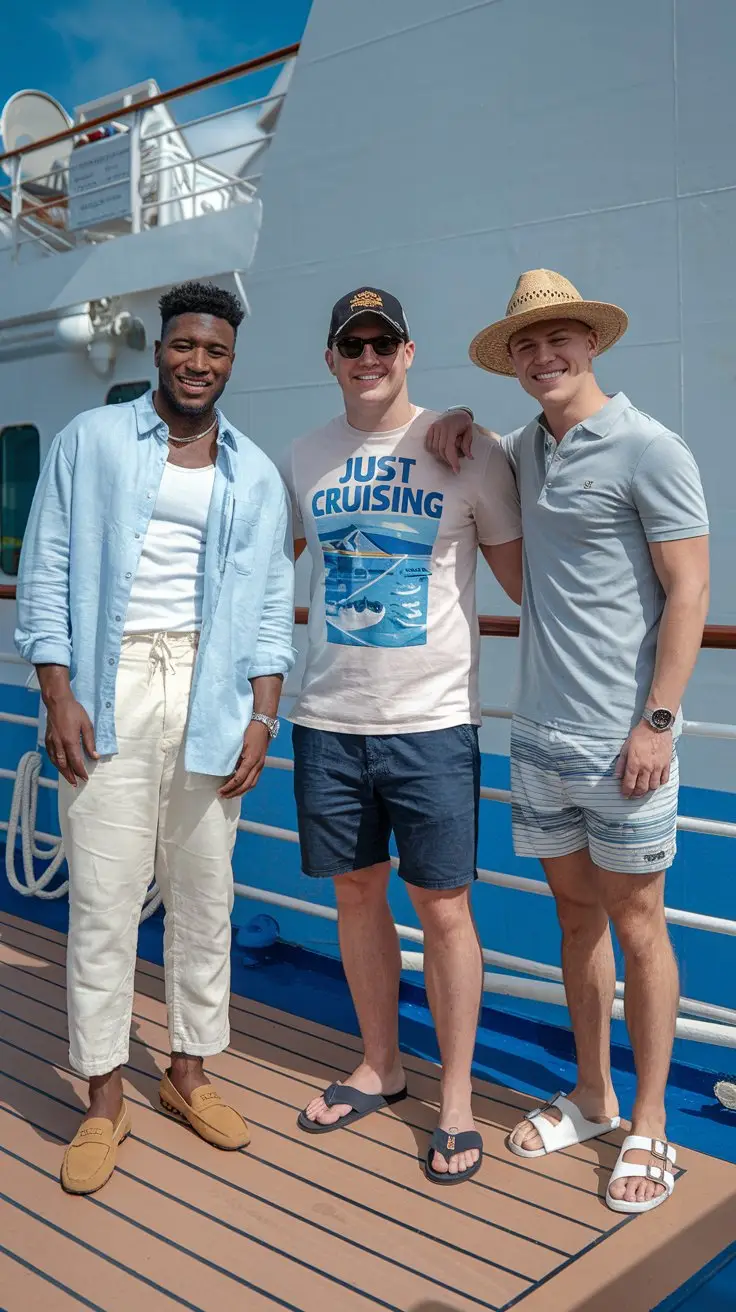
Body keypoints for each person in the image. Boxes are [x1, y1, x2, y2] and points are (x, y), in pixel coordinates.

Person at [426, 268, 710, 1213]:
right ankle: (591, 1095)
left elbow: (692, 592)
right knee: (576, 922)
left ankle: (652, 1123)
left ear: (593, 345)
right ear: (514, 362)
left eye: (561, 341)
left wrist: (659, 722)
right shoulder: (525, 450)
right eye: (527, 346)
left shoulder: (650, 449)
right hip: (539, 736)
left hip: (625, 741)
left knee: (640, 925)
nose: (544, 357)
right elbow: (471, 451)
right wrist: (452, 421)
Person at [16, 280, 295, 1195]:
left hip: (214, 692)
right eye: (184, 346)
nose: (197, 363)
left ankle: (187, 1074)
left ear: (231, 358)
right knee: (102, 896)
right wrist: (59, 695)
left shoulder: (252, 471)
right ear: (160, 349)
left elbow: (264, 612)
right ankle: (103, 1097)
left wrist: (264, 714)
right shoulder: (91, 443)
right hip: (113, 681)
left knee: (204, 892)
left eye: (214, 351)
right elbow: (46, 568)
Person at [280, 287, 522, 1184]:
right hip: (329, 720)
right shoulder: (304, 455)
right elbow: (265, 572)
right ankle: (381, 1065)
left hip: (432, 725)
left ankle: (454, 1098)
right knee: (355, 896)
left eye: (384, 342)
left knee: (445, 910)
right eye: (354, 343)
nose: (369, 356)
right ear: (333, 360)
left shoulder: (466, 449)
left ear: (409, 352)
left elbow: (532, 583)